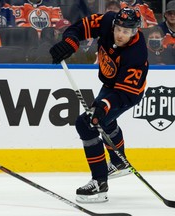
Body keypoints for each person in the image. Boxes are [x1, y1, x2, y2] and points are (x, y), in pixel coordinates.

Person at [49, 7, 148, 203]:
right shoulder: (106, 21)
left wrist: (104, 105)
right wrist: (70, 43)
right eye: (118, 29)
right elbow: (79, 27)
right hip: (110, 84)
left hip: (128, 93)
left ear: (135, 31)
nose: (120, 35)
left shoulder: (137, 54)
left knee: (87, 125)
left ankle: (99, 183)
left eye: (126, 32)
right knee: (105, 123)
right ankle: (119, 163)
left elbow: (124, 94)